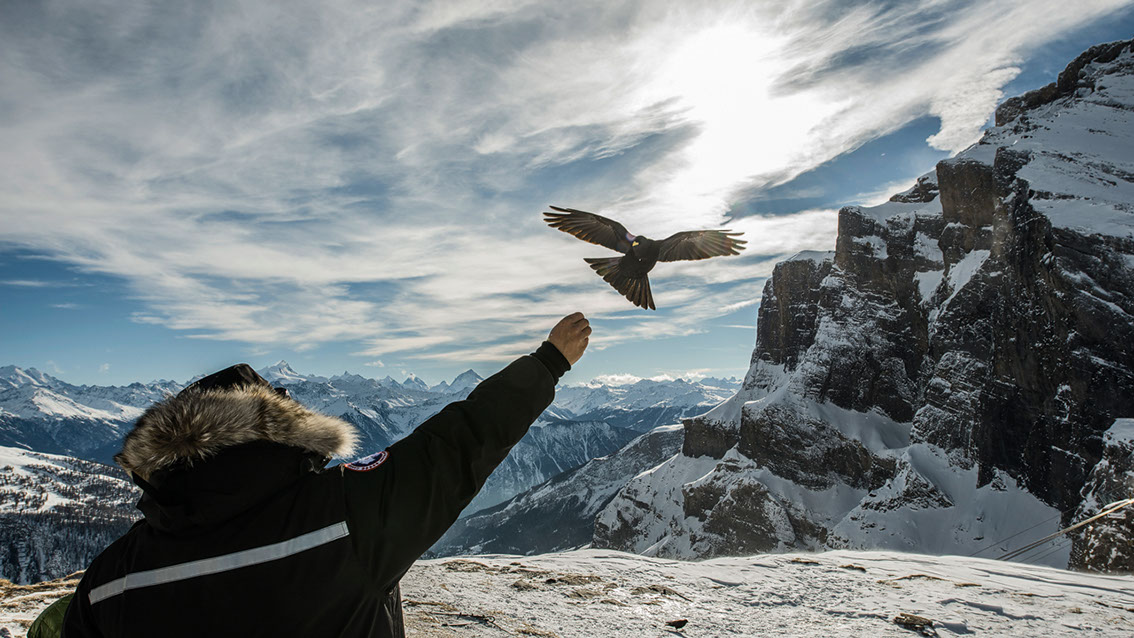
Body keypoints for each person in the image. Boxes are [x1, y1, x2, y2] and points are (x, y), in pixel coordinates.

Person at [59, 312, 591, 638]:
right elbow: (455, 446)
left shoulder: (109, 581)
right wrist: (548, 363)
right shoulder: (341, 518)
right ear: (277, 431)